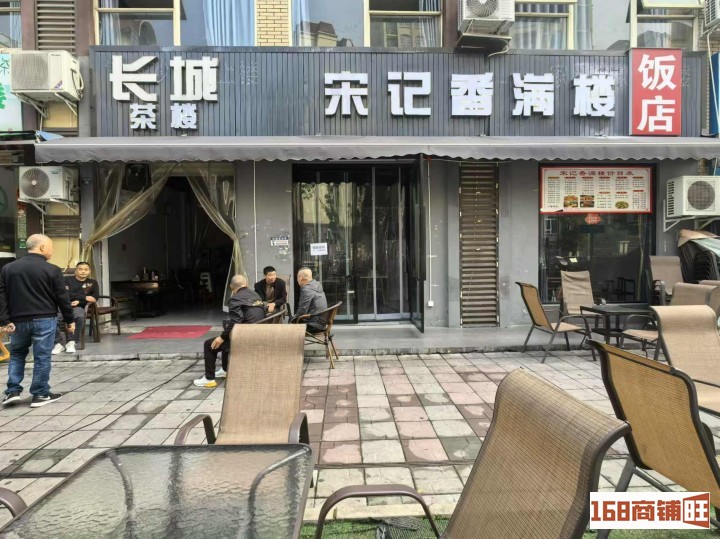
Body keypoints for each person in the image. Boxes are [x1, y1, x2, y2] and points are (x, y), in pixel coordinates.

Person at [0, 234, 74, 408]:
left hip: (17, 320)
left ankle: (12, 391)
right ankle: (40, 394)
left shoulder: (8, 268)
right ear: (42, 247)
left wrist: (4, 320)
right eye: (51, 247)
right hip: (44, 318)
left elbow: (1, 296)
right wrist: (69, 319)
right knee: (42, 356)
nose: (52, 251)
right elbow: (62, 297)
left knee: (17, 354)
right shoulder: (52, 269)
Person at [194, 274, 265, 388]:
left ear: (231, 287)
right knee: (228, 336)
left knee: (209, 344)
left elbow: (237, 320)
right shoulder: (256, 295)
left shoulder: (235, 299)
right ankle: (225, 370)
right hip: (259, 333)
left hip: (246, 336)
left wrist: (221, 337)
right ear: (246, 284)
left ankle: (209, 379)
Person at [53, 261, 98, 354]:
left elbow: (94, 298)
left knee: (80, 316)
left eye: (86, 269)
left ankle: (72, 342)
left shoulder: (92, 282)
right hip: (63, 306)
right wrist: (84, 297)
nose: (83, 271)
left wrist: (79, 301)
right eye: (80, 269)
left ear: (89, 271)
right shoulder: (66, 280)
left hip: (78, 307)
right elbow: (64, 294)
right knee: (52, 318)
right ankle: (57, 343)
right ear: (76, 271)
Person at [291, 267, 328, 333]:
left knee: (288, 327)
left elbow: (302, 310)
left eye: (297, 278)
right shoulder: (317, 285)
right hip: (321, 323)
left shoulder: (307, 289)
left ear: (300, 278)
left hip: (313, 325)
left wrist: (293, 319)